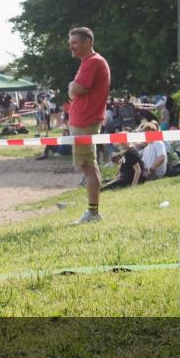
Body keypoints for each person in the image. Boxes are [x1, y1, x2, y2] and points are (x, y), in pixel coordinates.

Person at [66, 27, 111, 224]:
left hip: (85, 121)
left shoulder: (93, 62)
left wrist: (71, 87)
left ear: (87, 42)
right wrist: (72, 89)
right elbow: (74, 91)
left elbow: (76, 89)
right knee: (90, 166)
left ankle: (93, 213)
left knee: (88, 167)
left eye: (74, 43)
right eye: (70, 43)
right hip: (83, 120)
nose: (71, 47)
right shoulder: (88, 62)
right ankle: (93, 212)